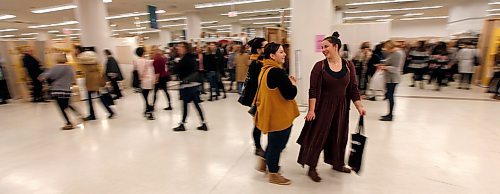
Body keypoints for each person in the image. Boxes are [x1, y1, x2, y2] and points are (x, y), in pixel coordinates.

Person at [297, 32, 366, 182]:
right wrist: (311, 110)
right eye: (322, 47)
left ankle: (338, 163)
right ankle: (312, 167)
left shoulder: (348, 65)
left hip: (341, 107)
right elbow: (313, 90)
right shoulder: (319, 66)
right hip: (323, 107)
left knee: (339, 135)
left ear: (336, 46)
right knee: (318, 136)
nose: (323, 49)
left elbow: (353, 88)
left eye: (326, 46)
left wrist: (359, 106)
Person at [254, 42, 299, 185]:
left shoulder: (265, 69)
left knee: (273, 142)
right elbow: (290, 94)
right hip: (280, 116)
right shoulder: (277, 72)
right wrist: (293, 84)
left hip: (270, 113)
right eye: (281, 52)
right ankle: (273, 173)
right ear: (272, 56)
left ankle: (263, 162)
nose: (284, 54)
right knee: (278, 145)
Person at [239, 38, 268, 157]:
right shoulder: (257, 63)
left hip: (262, 97)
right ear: (258, 49)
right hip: (258, 98)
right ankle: (257, 147)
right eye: (265, 46)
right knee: (258, 124)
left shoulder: (260, 60)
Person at [39, 53, 83, 130]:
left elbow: (43, 77)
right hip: (67, 90)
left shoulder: (55, 67)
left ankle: (69, 123)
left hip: (57, 90)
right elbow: (73, 79)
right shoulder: (70, 68)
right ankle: (79, 114)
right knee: (67, 104)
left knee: (62, 108)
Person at [173, 42, 208, 132]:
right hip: (193, 85)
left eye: (180, 47)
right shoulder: (191, 57)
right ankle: (203, 123)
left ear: (185, 48)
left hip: (187, 86)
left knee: (185, 105)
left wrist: (176, 63)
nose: (178, 48)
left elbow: (176, 70)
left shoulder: (185, 58)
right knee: (196, 104)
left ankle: (182, 124)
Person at [78, 51, 115, 121]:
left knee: (90, 100)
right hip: (97, 81)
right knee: (101, 98)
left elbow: (82, 68)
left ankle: (92, 115)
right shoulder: (96, 65)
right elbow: (101, 72)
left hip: (90, 82)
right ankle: (110, 111)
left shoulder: (85, 65)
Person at [379, 40, 405, 121]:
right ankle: (389, 114)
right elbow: (389, 61)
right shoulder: (394, 52)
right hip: (390, 78)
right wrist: (382, 63)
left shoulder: (398, 53)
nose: (385, 49)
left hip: (393, 78)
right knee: (389, 95)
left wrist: (385, 67)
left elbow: (396, 68)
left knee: (390, 96)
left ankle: (390, 115)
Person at [133, 47, 156, 120]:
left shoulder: (135, 61)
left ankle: (146, 110)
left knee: (145, 98)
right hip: (149, 81)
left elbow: (135, 71)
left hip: (141, 82)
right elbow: (152, 71)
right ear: (143, 53)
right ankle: (149, 113)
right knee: (148, 98)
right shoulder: (148, 61)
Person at [151, 46, 173, 111]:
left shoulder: (156, 59)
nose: (152, 53)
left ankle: (153, 106)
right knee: (166, 91)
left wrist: (156, 80)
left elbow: (157, 71)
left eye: (153, 51)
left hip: (160, 77)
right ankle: (169, 105)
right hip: (164, 76)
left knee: (155, 92)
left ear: (156, 52)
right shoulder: (163, 58)